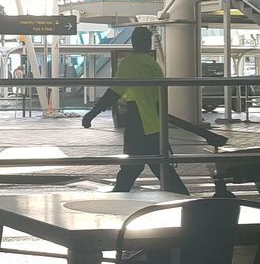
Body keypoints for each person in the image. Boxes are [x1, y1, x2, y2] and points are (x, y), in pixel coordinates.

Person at [81, 27, 189, 194]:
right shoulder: (153, 65)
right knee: (156, 166)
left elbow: (114, 92)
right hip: (154, 123)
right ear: (148, 43)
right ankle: (182, 196)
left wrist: (91, 114)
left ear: (133, 43)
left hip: (139, 121)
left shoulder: (129, 63)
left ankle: (119, 195)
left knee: (134, 165)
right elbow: (159, 98)